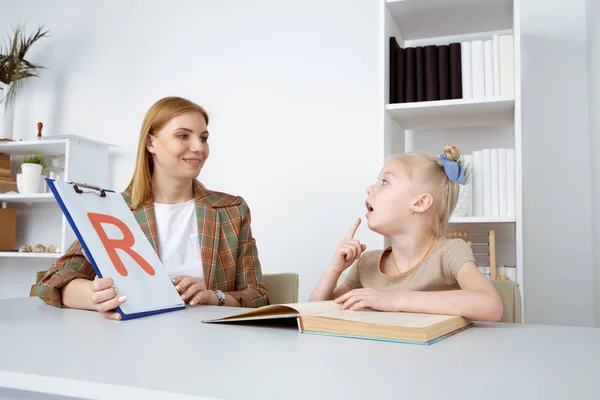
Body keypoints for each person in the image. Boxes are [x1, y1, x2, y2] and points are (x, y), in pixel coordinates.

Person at [36, 96, 269, 319]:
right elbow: (52, 282)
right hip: (133, 344)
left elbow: (257, 297)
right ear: (151, 143)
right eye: (183, 136)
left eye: (204, 138)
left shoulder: (231, 209)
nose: (199, 147)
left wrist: (212, 297)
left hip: (211, 344)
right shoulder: (112, 210)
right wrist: (93, 296)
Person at [309, 145, 503, 322]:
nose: (369, 188)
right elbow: (315, 312)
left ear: (419, 203)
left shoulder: (450, 252)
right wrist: (334, 270)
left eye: (384, 182)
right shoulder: (366, 264)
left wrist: (392, 300)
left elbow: (491, 305)